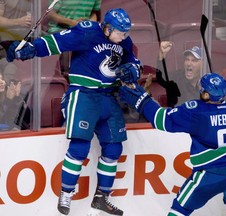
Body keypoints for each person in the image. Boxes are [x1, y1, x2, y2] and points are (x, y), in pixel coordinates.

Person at [6, 8, 141, 216]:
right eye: (121, 32)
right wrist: (30, 49)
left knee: (114, 149)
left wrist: (132, 70)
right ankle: (66, 193)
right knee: (79, 148)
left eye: (126, 33)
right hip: (83, 96)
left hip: (108, 97)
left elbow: (133, 62)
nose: (124, 37)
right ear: (107, 28)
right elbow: (56, 42)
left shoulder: (124, 42)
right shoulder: (87, 31)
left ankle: (101, 198)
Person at [118, 72, 226, 216]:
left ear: (206, 94)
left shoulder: (196, 110)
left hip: (210, 174)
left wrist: (143, 101)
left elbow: (161, 120)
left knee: (180, 208)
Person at [45, 0, 103, 77]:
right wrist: (72, 23)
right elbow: (50, 14)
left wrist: (90, 24)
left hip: (83, 30)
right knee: (69, 40)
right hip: (58, 29)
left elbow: (94, 12)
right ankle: (65, 76)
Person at [157, 41, 202, 107]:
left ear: (203, 64)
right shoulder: (177, 78)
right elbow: (161, 77)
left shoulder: (208, 81)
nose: (189, 63)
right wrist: (161, 56)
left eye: (194, 60)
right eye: (187, 59)